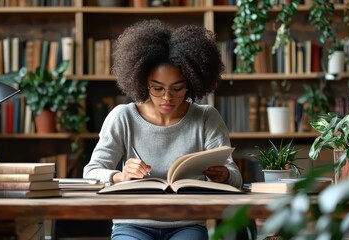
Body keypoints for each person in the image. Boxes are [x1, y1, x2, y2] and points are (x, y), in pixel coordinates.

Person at [83, 19, 243, 240]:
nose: (167, 97)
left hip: (187, 225)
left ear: (193, 82)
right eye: (157, 88)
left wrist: (224, 175)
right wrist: (120, 176)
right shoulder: (123, 117)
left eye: (177, 88)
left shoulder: (206, 117)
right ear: (141, 81)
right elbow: (91, 173)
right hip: (132, 224)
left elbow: (236, 178)